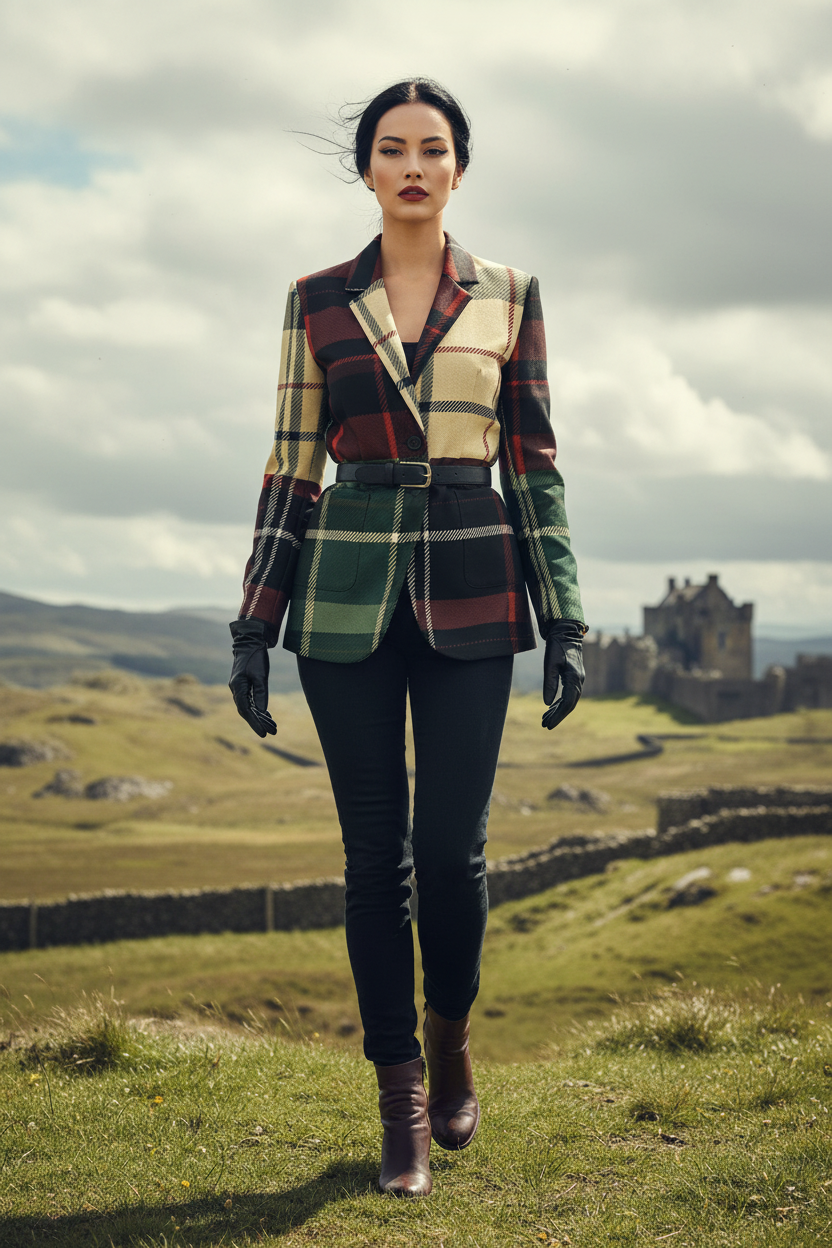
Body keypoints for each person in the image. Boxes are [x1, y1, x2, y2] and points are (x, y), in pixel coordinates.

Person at [229, 78, 586, 1198]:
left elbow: (533, 460)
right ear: (368, 170)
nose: (414, 166)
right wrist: (254, 622)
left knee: (451, 855)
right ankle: (402, 1106)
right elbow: (292, 460)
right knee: (371, 862)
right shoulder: (316, 300)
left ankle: (449, 1039)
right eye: (393, 149)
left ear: (460, 169)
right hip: (341, 598)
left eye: (434, 149)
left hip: (478, 592)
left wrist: (564, 612)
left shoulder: (512, 294)